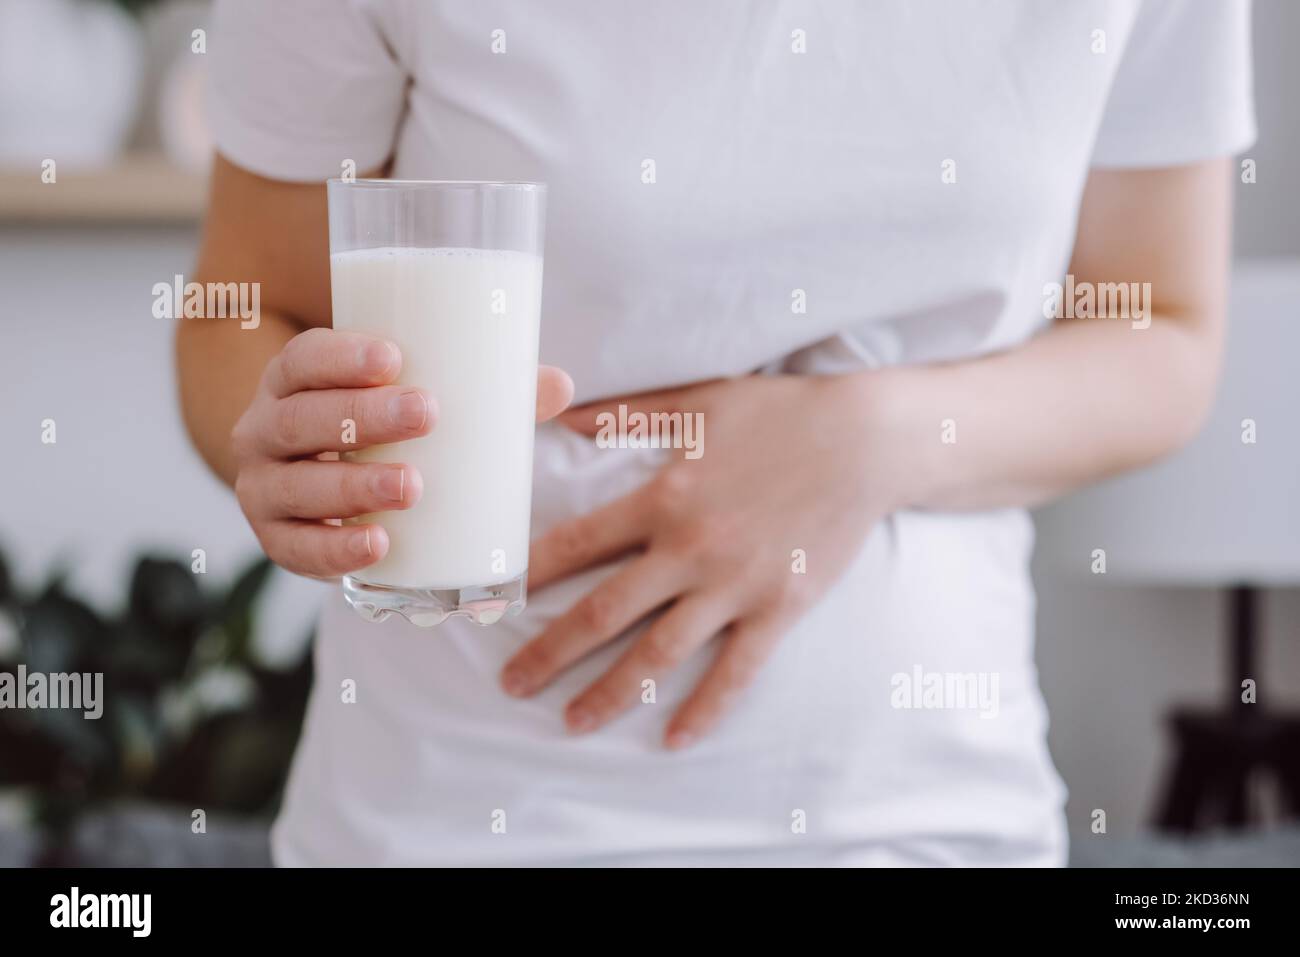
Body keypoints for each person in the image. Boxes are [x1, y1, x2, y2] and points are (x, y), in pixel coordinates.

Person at [177, 0, 1256, 866]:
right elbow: (245, 312)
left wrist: (864, 439)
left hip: (923, 810)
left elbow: (1163, 330)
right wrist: (282, 447)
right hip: (455, 809)